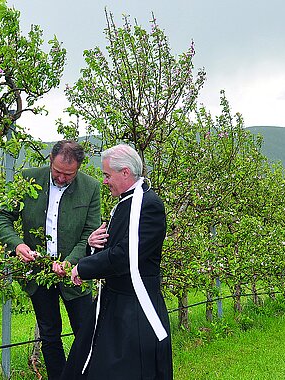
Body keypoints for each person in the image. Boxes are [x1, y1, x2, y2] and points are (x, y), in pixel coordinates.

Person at [62, 144, 173, 380]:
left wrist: (83, 267)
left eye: (106, 175)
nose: (104, 181)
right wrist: (92, 244)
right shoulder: (127, 202)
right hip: (114, 304)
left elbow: (126, 256)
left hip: (134, 310)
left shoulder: (148, 205)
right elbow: (113, 247)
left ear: (125, 172)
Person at [0, 140, 101, 380]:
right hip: (38, 271)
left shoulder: (90, 187)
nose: (62, 179)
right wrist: (17, 244)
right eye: (57, 172)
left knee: (85, 333)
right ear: (50, 160)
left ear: (78, 169)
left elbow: (90, 233)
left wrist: (71, 262)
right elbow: (3, 217)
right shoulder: (28, 178)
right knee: (50, 334)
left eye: (68, 175)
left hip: (75, 275)